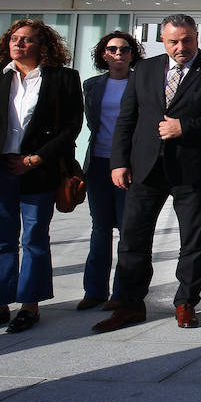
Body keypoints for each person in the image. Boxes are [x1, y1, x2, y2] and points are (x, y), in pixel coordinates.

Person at [94, 14, 201, 333]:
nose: (181, 46)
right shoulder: (144, 69)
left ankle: (186, 302)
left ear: (197, 37)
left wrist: (185, 127)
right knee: (132, 238)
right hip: (145, 168)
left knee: (194, 240)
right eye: (173, 41)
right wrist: (119, 161)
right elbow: (127, 118)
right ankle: (130, 304)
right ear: (162, 40)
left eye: (187, 40)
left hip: (192, 170)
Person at [0, 19, 83, 334]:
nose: (19, 44)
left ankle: (30, 306)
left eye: (27, 40)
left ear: (43, 45)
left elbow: (71, 127)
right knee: (0, 241)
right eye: (15, 38)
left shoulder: (63, 78)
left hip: (37, 170)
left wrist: (36, 158)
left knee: (34, 239)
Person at [77, 30, 145, 312]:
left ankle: (121, 292)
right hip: (99, 162)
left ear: (133, 54)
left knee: (128, 231)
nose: (119, 54)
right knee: (100, 228)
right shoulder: (92, 85)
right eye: (113, 49)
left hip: (129, 164)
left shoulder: (140, 83)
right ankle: (94, 291)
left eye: (125, 49)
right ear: (103, 54)